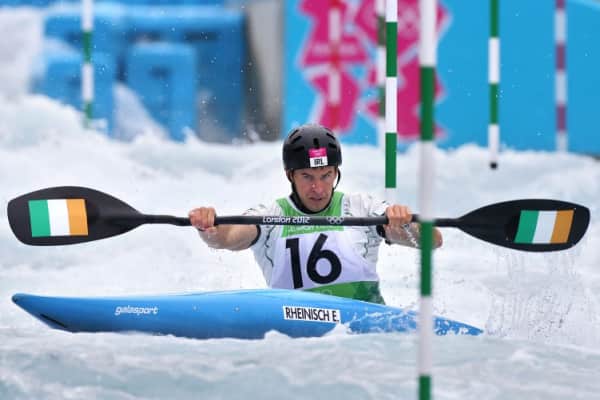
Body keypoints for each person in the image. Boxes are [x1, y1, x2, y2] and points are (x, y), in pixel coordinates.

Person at [189, 123, 442, 304]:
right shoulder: (270, 215)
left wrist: (405, 224)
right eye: (307, 177)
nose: (318, 188)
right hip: (297, 335)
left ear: (336, 173)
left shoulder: (362, 208)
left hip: (364, 334)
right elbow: (226, 237)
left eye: (326, 175)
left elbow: (433, 241)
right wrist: (209, 227)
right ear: (290, 175)